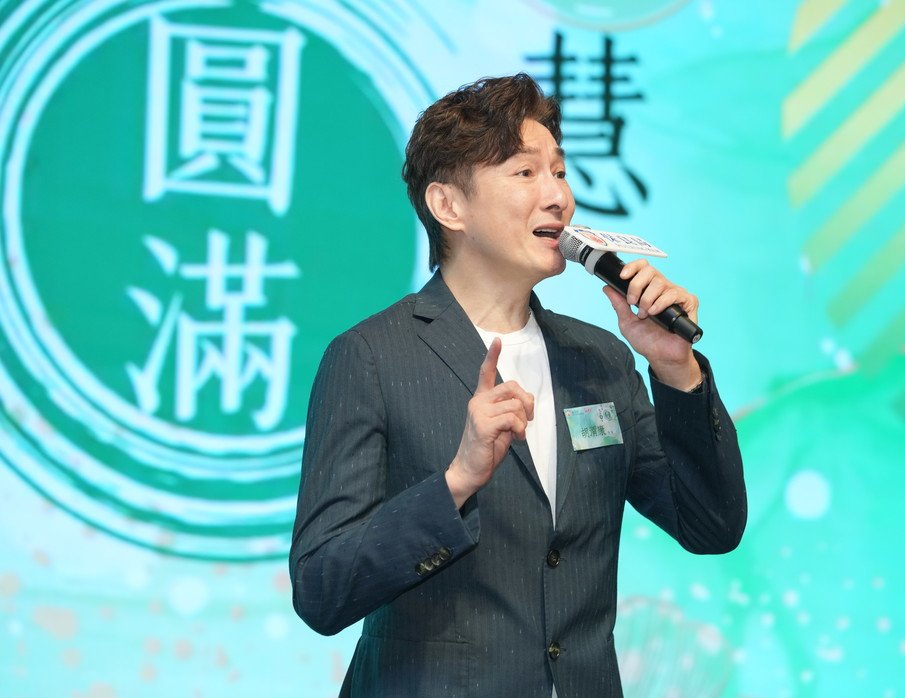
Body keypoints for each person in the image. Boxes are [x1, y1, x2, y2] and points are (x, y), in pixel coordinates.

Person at [289, 73, 746, 698]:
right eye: (525, 173)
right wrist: (457, 482)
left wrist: (675, 369)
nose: (558, 196)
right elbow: (322, 589)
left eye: (559, 172)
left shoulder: (600, 359)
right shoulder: (371, 357)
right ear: (448, 205)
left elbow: (711, 526)